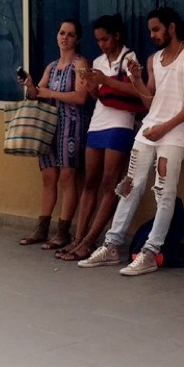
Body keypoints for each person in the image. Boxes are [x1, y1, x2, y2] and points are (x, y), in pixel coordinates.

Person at [79, 7, 184, 276]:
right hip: (148, 130)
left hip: (174, 133)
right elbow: (150, 101)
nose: (152, 35)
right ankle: (112, 245)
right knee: (129, 186)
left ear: (171, 27)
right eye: (150, 30)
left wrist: (164, 128)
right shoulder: (153, 59)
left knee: (164, 191)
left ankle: (150, 252)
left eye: (156, 29)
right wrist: (136, 79)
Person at [56, 14, 142, 262]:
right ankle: (78, 238)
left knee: (109, 183)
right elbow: (99, 97)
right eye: (98, 40)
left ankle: (90, 241)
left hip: (121, 123)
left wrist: (104, 80)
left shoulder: (129, 57)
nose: (101, 44)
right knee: (90, 182)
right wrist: (93, 86)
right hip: (98, 122)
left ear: (116, 35)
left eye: (105, 39)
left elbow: (138, 90)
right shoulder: (97, 61)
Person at [15, 18, 89, 247]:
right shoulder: (51, 66)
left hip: (71, 125)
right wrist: (30, 85)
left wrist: (50, 93)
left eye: (70, 34)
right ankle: (42, 228)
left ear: (77, 39)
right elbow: (37, 93)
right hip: (49, 126)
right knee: (48, 177)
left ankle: (63, 231)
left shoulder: (80, 63)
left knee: (67, 176)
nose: (64, 37)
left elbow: (81, 97)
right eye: (61, 33)